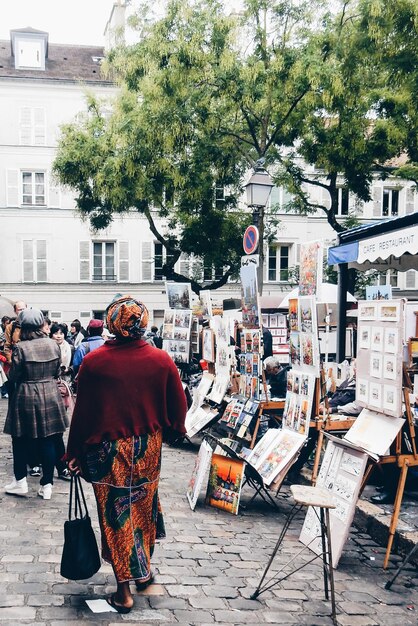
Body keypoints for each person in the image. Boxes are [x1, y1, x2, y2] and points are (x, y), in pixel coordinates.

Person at [65, 295, 187, 613]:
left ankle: (123, 591)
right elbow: (178, 406)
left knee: (115, 515)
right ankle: (143, 573)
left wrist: (74, 452)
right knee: (144, 508)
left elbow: (84, 412)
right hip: (148, 448)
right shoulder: (161, 360)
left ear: (111, 323)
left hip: (108, 451)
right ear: (143, 323)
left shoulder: (95, 363)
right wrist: (172, 429)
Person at [3, 309, 69, 499]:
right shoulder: (52, 344)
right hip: (49, 391)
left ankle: (21, 482)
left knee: (20, 438)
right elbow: (57, 370)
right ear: (41, 324)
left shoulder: (21, 347)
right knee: (48, 438)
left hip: (26, 393)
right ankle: (47, 485)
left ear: (22, 326)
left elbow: (13, 375)